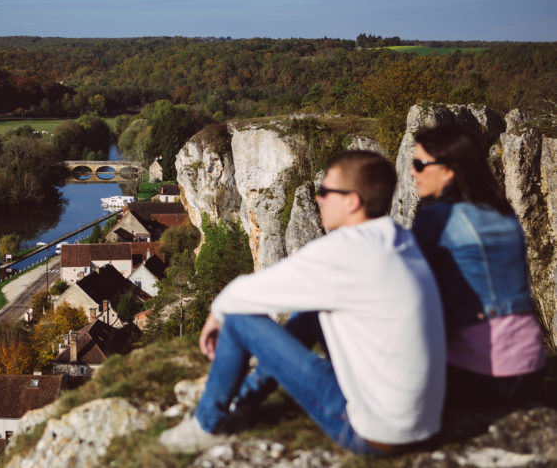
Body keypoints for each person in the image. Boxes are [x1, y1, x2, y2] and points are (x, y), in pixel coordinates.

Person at [160, 150, 446, 455]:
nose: (318, 199)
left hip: (376, 433)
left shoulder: (344, 251)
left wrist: (216, 315)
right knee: (312, 312)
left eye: (325, 192)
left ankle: (207, 424)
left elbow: (239, 294)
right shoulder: (398, 239)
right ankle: (243, 401)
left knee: (237, 320)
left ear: (352, 201)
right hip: (423, 422)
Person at [409, 125, 546, 408]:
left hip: (481, 366)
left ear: (447, 171)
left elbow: (412, 288)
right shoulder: (501, 211)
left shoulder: (437, 217)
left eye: (419, 164)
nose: (412, 172)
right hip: (530, 358)